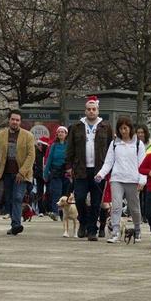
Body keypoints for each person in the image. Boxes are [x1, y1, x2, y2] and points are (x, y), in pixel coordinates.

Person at [65, 97, 113, 240]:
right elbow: (70, 148)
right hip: (81, 169)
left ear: (98, 111)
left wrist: (109, 168)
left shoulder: (106, 126)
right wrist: (69, 166)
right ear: (85, 111)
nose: (91, 112)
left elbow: (111, 148)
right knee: (79, 198)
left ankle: (92, 230)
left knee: (96, 201)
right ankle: (83, 223)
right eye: (88, 109)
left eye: (94, 109)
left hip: (99, 170)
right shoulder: (76, 127)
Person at [96, 116, 146, 244]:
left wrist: (142, 180)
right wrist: (101, 174)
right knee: (116, 206)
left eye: (125, 128)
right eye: (121, 129)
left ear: (130, 129)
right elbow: (108, 162)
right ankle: (115, 232)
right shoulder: (114, 144)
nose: (123, 131)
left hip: (133, 179)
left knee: (134, 207)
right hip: (117, 178)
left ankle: (137, 229)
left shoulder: (138, 144)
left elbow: (143, 164)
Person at [0, 110, 36, 236]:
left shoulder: (28, 136)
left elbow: (31, 156)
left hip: (22, 174)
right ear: (9, 120)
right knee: (9, 199)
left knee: (18, 197)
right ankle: (15, 223)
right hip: (6, 173)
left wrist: (22, 172)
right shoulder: (1, 135)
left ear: (20, 121)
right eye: (13, 119)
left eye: (17, 120)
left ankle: (16, 225)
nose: (15, 122)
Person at [44, 125, 69, 221]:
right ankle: (56, 213)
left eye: (62, 132)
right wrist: (46, 173)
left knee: (65, 194)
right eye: (59, 132)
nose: (60, 134)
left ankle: (65, 214)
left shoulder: (69, 145)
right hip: (55, 171)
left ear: (66, 134)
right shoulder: (53, 146)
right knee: (56, 192)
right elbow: (49, 159)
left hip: (66, 172)